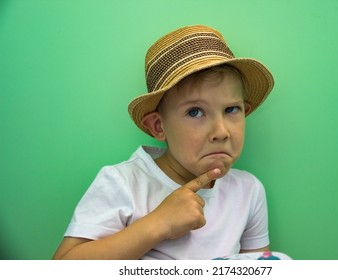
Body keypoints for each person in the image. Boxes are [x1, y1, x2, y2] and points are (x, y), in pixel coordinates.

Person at [53, 24, 275, 260]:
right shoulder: (123, 183)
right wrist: (157, 224)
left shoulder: (248, 191)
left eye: (231, 109)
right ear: (158, 126)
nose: (221, 132)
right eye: (195, 112)